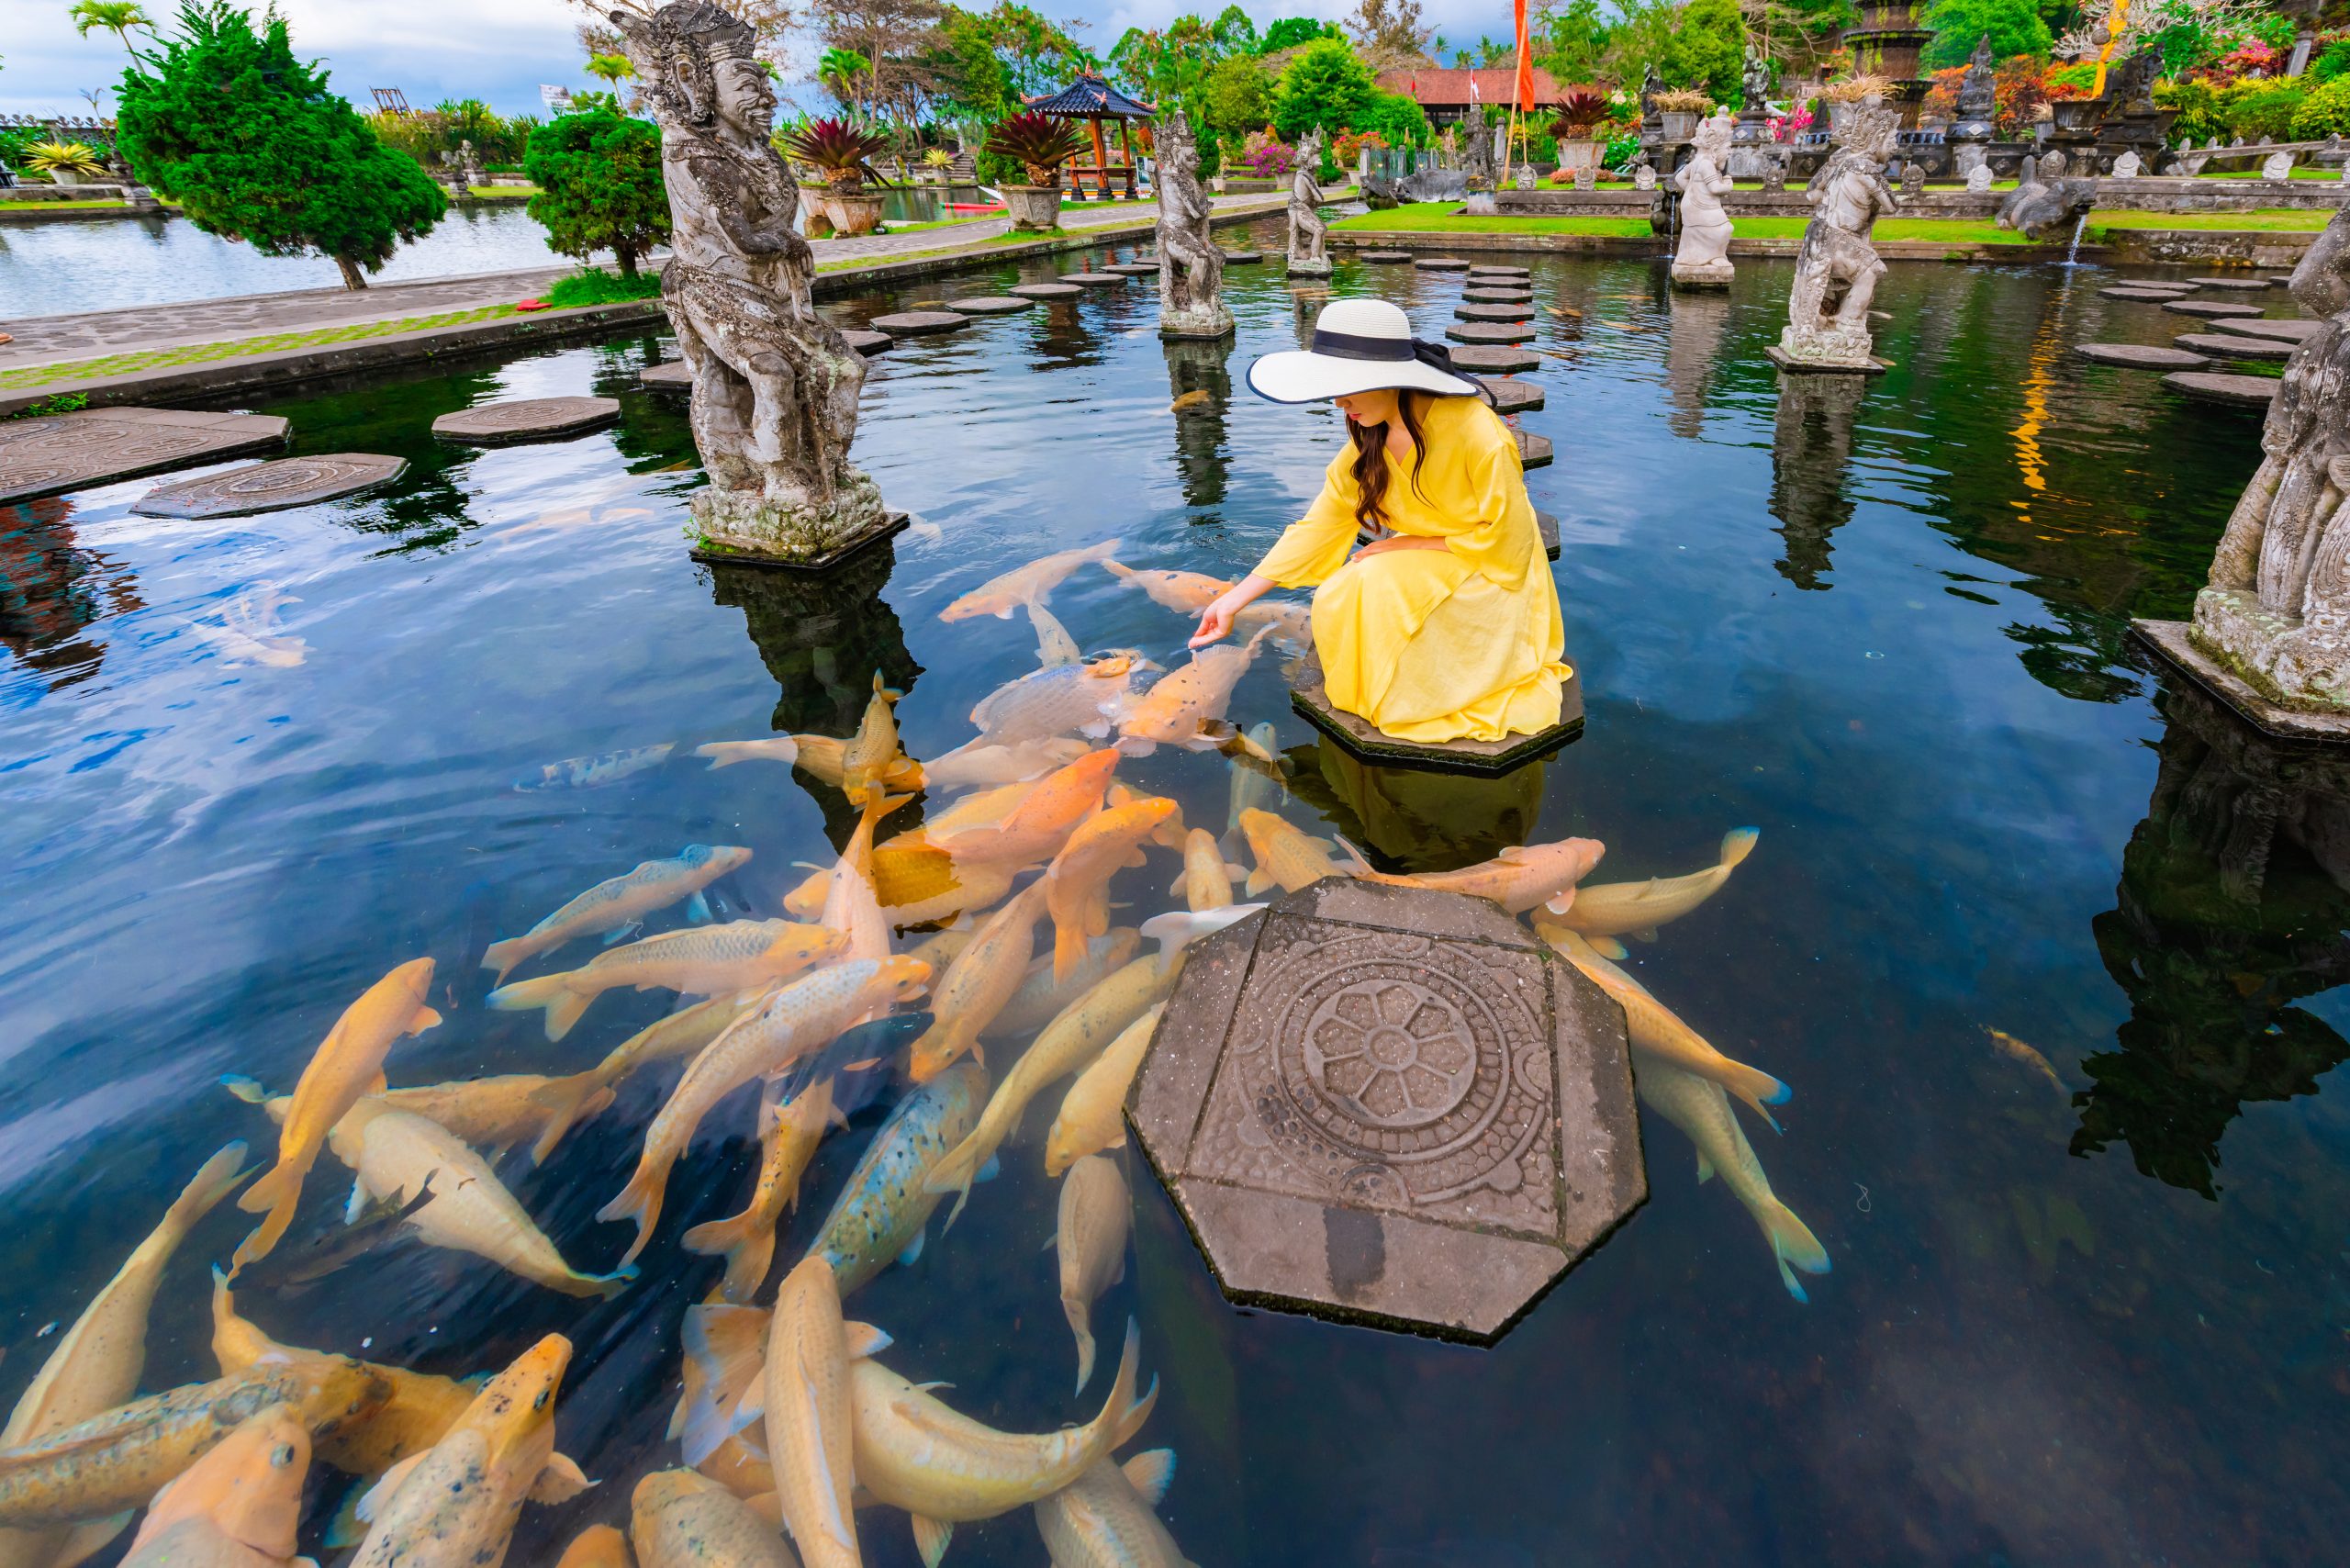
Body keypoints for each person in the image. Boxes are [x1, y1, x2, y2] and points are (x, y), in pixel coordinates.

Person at [1192, 297, 1570, 744]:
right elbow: (1322, 524)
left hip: (1491, 562)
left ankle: (1434, 687)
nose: (1339, 401)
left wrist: (1403, 544)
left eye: (1351, 385)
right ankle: (1394, 682)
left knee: (1373, 580)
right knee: (1341, 589)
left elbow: (1511, 543)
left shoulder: (1479, 434)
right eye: (1333, 386)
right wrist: (1234, 600)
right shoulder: (1368, 431)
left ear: (1393, 378)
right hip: (1438, 550)